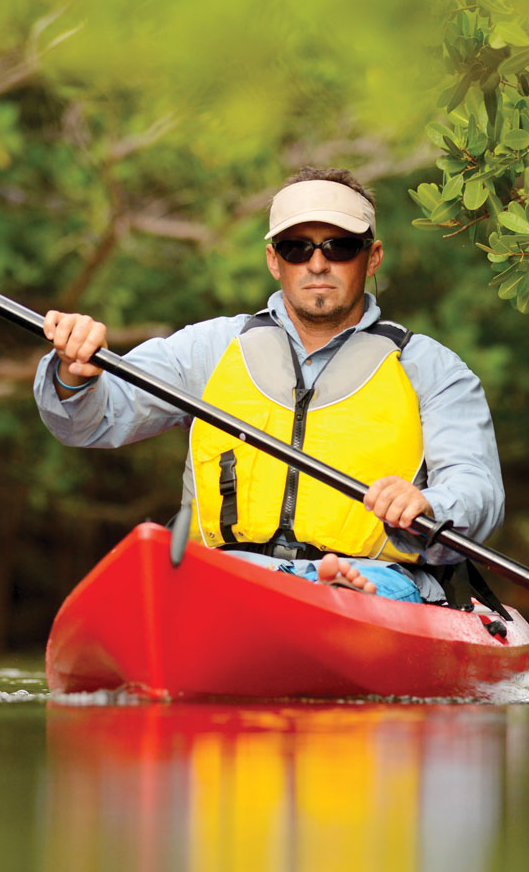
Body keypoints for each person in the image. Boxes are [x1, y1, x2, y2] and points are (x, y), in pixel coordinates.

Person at [33, 167, 503, 603]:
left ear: (372, 257)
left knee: (362, 586)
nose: (317, 264)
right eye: (297, 248)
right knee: (173, 570)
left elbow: (477, 490)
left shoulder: (432, 369)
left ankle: (339, 596)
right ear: (273, 260)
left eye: (339, 246)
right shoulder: (209, 348)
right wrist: (75, 371)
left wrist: (428, 503)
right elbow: (90, 422)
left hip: (376, 579)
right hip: (228, 573)